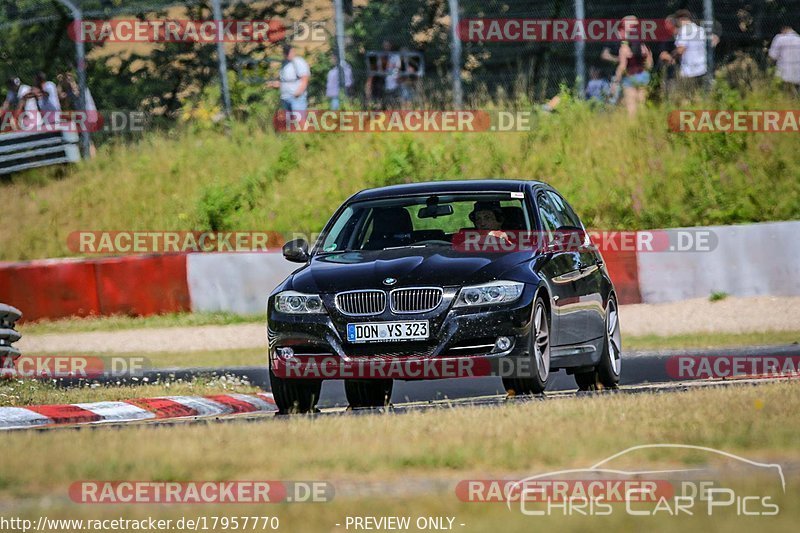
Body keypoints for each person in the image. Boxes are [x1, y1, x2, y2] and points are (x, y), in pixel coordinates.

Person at [612, 18, 653, 116]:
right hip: (643, 76)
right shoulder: (643, 46)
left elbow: (622, 66)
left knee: (631, 109)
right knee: (641, 105)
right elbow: (649, 64)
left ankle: (633, 130)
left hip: (630, 76)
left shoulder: (624, 48)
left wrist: (615, 82)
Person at [672, 9, 708, 96]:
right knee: (700, 95)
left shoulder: (684, 30)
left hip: (688, 70)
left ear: (681, 19)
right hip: (702, 68)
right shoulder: (700, 30)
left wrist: (672, 56)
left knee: (686, 96)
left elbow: (681, 49)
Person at [268, 43, 310, 112]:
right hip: (285, 98)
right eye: (286, 53)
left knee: (299, 121)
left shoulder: (299, 62)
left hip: (296, 98)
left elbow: (305, 79)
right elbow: (284, 82)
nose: (288, 54)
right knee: (290, 122)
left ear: (293, 51)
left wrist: (298, 93)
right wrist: (274, 84)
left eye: (289, 52)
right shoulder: (284, 64)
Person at [768, 24, 800, 94]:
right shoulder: (798, 39)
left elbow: (772, 56)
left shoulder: (779, 38)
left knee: (783, 94)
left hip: (783, 74)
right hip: (797, 75)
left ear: (782, 29)